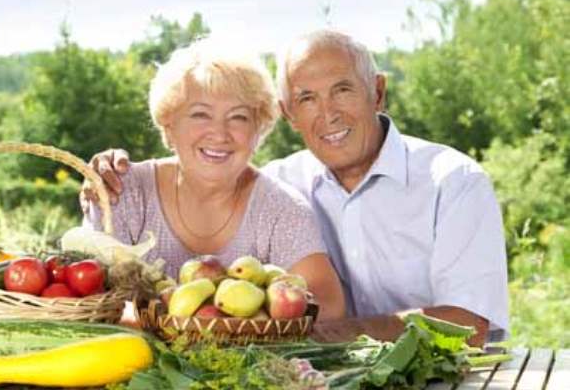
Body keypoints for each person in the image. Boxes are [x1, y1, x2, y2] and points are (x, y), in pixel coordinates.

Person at [82, 30, 509, 346]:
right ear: (288, 113)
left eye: (342, 89)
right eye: (307, 98)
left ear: (377, 92)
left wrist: (333, 334)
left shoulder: (452, 182)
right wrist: (106, 174)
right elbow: (83, 298)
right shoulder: (283, 181)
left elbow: (468, 325)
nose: (328, 115)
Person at [82, 39, 346, 322]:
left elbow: (328, 307)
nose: (220, 134)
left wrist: (248, 323)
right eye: (200, 114)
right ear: (169, 127)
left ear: (258, 132)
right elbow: (87, 296)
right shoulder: (124, 191)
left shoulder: (282, 209)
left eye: (239, 118)